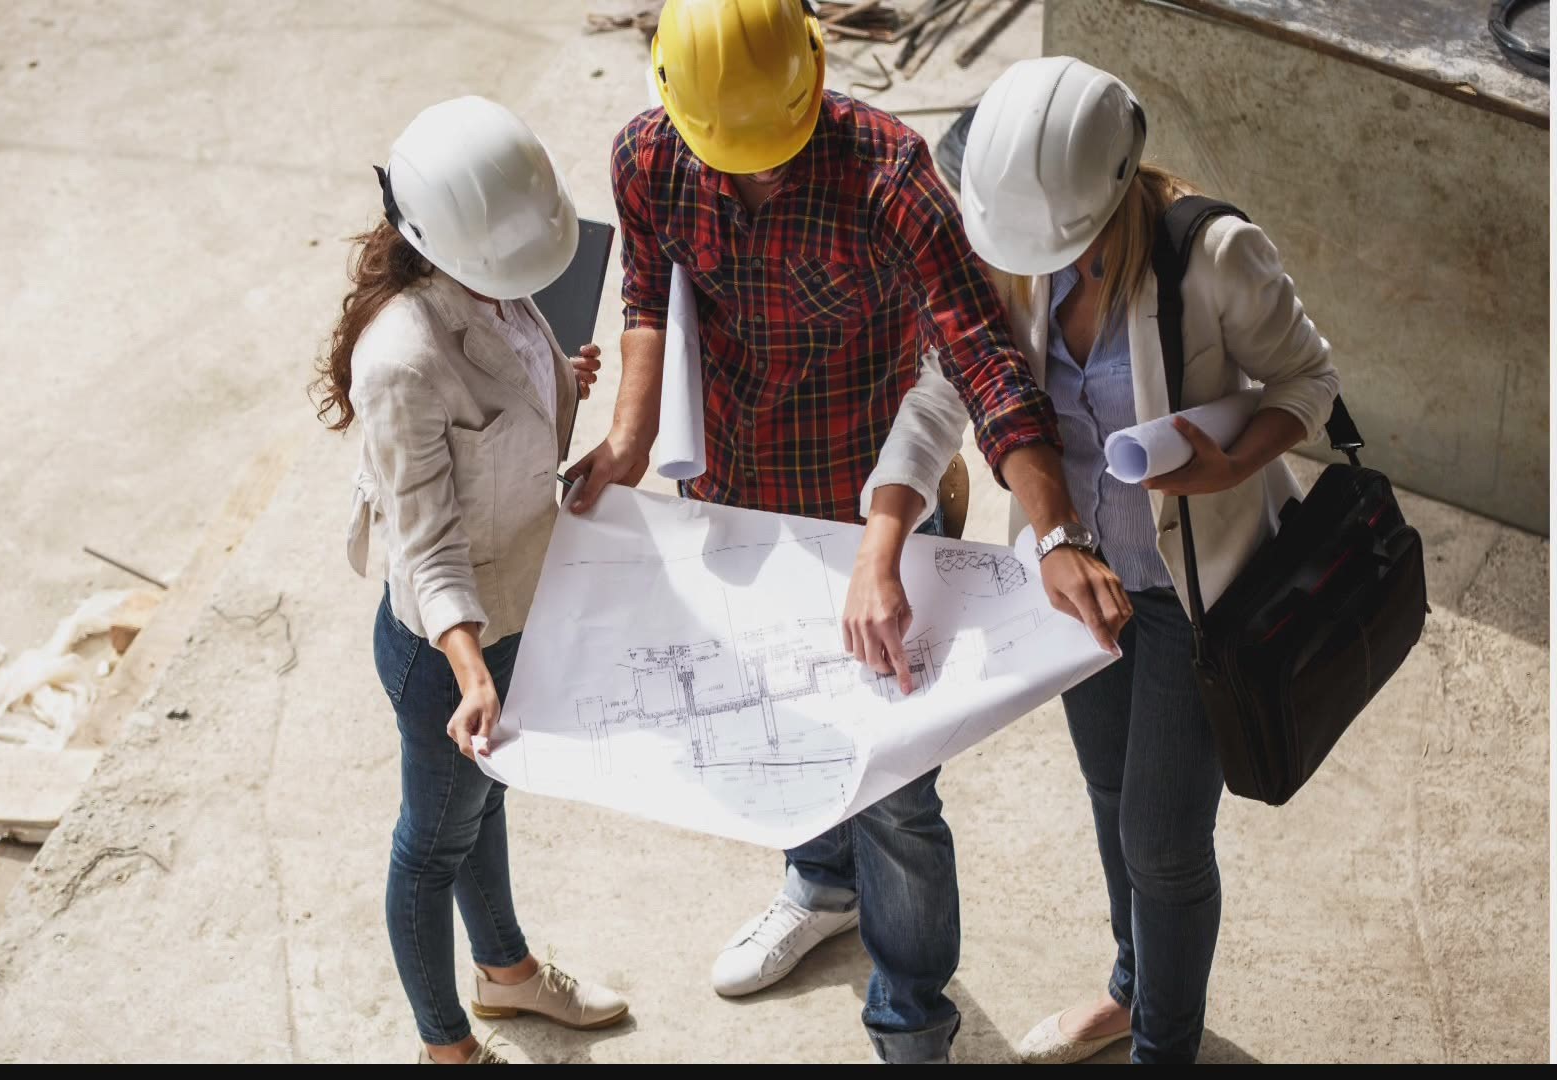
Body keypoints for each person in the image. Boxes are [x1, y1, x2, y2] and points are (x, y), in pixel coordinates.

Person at [566, 0, 1132, 1063]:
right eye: (731, 161)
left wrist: (1054, 533)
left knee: (897, 789)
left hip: (872, 512)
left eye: (771, 160)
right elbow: (648, 295)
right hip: (735, 497)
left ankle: (911, 1021)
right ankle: (820, 887)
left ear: (817, 82)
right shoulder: (650, 156)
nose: (752, 182)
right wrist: (630, 439)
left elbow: (984, 356)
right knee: (783, 726)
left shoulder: (892, 175)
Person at [948, 57, 1341, 1063]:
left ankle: (1164, 1048)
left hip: (1192, 592)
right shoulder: (1013, 246)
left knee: (1163, 844)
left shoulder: (1212, 255)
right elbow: (972, 383)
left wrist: (1234, 463)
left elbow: (1309, 378)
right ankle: (1134, 983)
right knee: (1114, 798)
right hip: (1081, 578)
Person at [311, 95, 626, 1065]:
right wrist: (474, 672)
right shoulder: (402, 360)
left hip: (518, 608)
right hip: (448, 653)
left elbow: (509, 403)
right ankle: (445, 1049)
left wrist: (561, 380)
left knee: (481, 808)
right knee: (432, 844)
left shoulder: (503, 270)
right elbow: (427, 542)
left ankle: (506, 974)